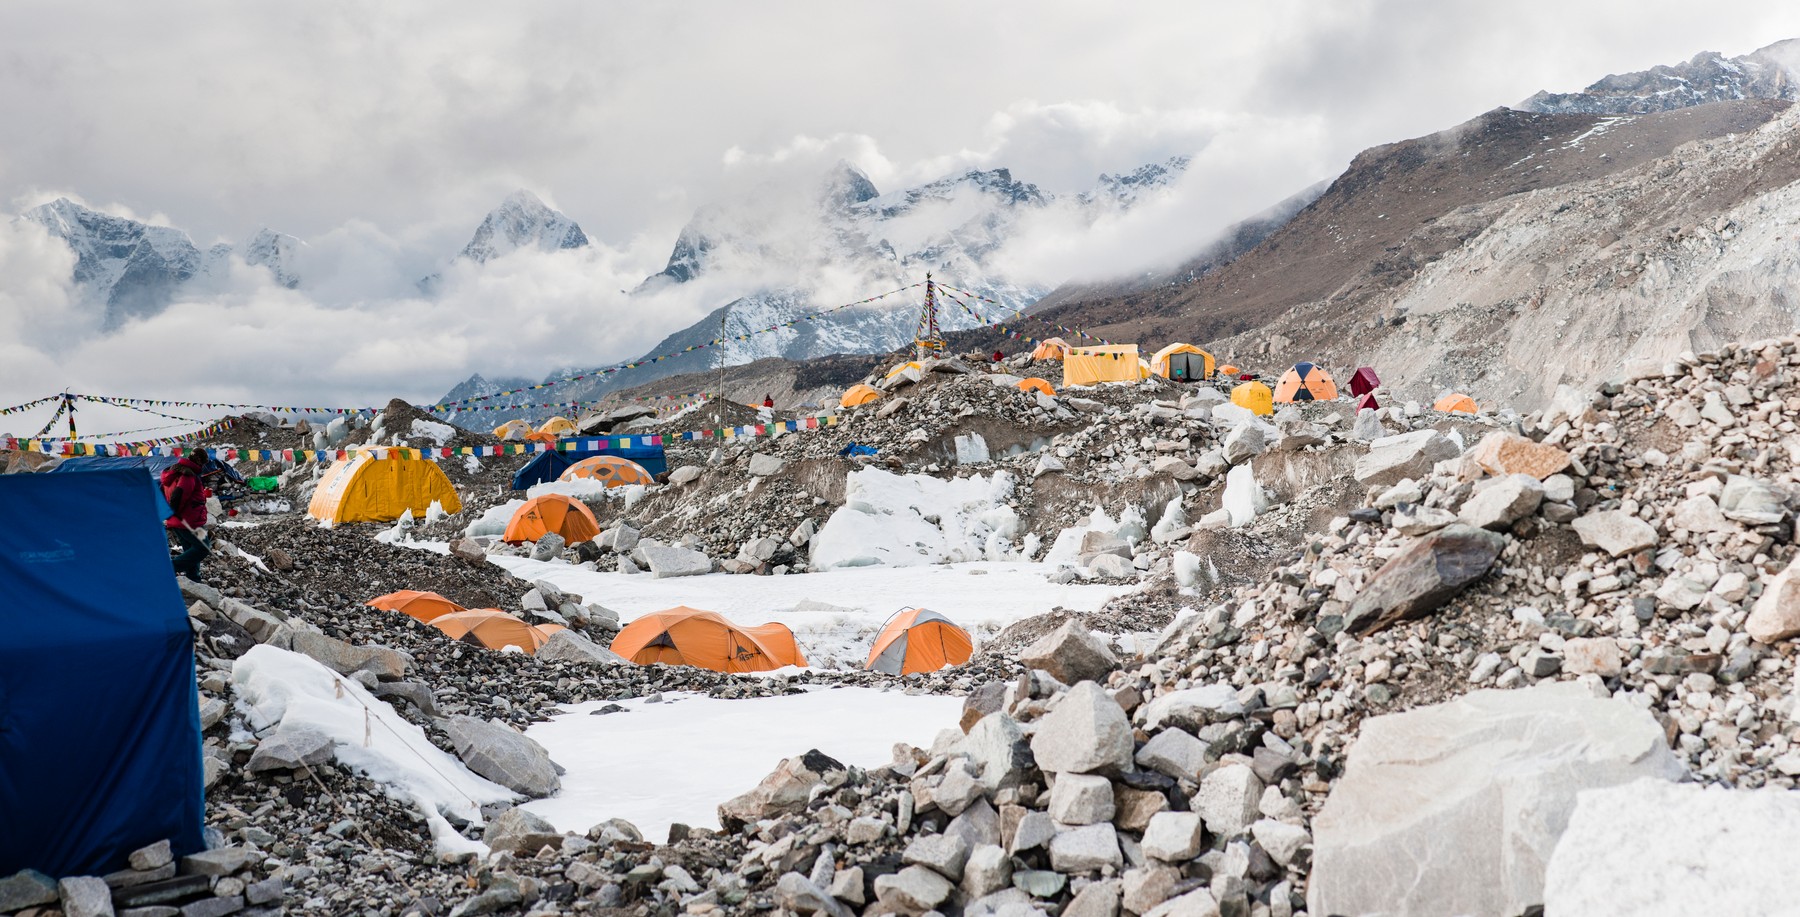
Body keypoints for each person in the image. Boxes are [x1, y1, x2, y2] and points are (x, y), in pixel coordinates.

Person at [160, 450, 212, 583]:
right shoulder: (188, 475)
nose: (204, 466)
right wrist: (174, 510)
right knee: (203, 547)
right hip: (189, 521)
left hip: (178, 520)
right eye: (204, 462)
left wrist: (169, 512)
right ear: (199, 461)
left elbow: (162, 491)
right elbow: (179, 495)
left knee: (190, 549)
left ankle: (193, 580)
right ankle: (169, 568)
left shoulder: (174, 472)